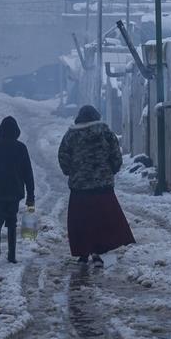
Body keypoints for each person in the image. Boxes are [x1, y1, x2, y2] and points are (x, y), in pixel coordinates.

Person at [57, 105, 134, 266]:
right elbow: (116, 155)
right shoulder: (106, 132)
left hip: (80, 187)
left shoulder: (71, 135)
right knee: (101, 220)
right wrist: (111, 171)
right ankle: (98, 252)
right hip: (103, 186)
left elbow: (63, 156)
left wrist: (70, 171)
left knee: (82, 221)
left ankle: (83, 253)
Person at [0, 116, 35, 263]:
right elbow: (28, 173)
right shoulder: (21, 148)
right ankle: (12, 255)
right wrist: (30, 195)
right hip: (14, 191)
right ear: (16, 132)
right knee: (12, 221)